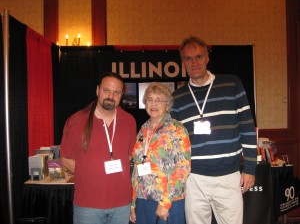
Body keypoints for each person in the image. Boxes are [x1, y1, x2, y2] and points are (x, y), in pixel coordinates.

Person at [171, 36, 257, 224]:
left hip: (228, 177)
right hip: (194, 179)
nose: (194, 63)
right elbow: (174, 141)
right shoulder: (177, 97)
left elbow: (247, 127)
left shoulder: (232, 84)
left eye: (199, 57)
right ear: (182, 62)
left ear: (207, 58)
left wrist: (250, 168)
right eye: (188, 58)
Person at [60, 72, 137, 224]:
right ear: (97, 90)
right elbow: (66, 159)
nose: (110, 96)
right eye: (106, 90)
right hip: (88, 205)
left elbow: (128, 157)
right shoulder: (76, 120)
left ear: (121, 95)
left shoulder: (129, 121)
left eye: (116, 92)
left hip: (122, 204)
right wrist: (91, 174)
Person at [130, 82, 191, 224]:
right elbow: (137, 168)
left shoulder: (177, 129)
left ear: (167, 105)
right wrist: (133, 203)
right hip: (143, 199)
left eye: (159, 100)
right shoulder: (143, 130)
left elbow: (182, 169)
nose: (153, 104)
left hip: (168, 201)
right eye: (150, 100)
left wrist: (165, 202)